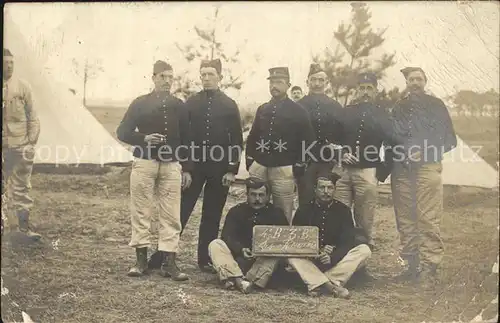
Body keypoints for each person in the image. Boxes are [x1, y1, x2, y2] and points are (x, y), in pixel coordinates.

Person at [116, 60, 191, 281]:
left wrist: (187, 168)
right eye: (162, 77)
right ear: (153, 77)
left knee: (171, 212)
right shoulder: (140, 103)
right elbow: (122, 131)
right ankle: (140, 261)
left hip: (171, 165)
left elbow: (188, 140)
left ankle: (169, 262)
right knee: (141, 210)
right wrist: (143, 138)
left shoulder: (180, 105)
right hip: (144, 162)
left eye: (170, 77)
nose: (167, 81)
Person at [390, 66, 457, 283]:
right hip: (402, 168)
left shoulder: (436, 106)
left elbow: (449, 140)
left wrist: (423, 152)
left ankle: (430, 265)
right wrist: (403, 153)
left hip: (428, 166)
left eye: (419, 79)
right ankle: (409, 265)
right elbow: (392, 137)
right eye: (411, 79)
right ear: (407, 83)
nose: (415, 83)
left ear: (425, 81)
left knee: (428, 217)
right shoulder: (399, 107)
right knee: (405, 219)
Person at [180, 58, 243, 273]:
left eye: (211, 75)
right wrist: (186, 168)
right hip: (194, 167)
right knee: (181, 210)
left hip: (219, 168)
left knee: (212, 214)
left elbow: (236, 141)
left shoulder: (229, 105)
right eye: (203, 75)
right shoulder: (191, 103)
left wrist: (231, 170)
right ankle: (165, 255)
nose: (206, 79)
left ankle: (205, 259)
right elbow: (184, 137)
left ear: (220, 78)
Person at [333, 72, 402, 250]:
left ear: (375, 91)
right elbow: (334, 138)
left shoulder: (383, 114)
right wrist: (341, 154)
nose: (365, 92)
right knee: (339, 211)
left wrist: (382, 171)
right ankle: (342, 247)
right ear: (356, 90)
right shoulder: (346, 111)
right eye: (361, 88)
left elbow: (392, 144)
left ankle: (364, 252)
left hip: (368, 171)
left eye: (369, 89)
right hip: (343, 172)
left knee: (365, 216)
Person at [245, 67, 315, 223]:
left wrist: (299, 164)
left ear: (288, 85)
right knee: (254, 205)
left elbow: (308, 141)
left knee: (283, 209)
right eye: (272, 82)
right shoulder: (263, 109)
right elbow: (253, 136)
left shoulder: (298, 111)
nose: (274, 86)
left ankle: (280, 244)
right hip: (260, 166)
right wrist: (250, 160)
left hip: (284, 168)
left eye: (279, 82)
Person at [287, 173, 372, 298]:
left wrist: (333, 254)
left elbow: (347, 240)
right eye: (322, 188)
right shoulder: (303, 210)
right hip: (311, 260)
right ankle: (331, 286)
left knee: (364, 250)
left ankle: (320, 282)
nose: (326, 192)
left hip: (335, 262)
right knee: (291, 257)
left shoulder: (343, 210)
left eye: (330, 188)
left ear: (334, 189)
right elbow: (296, 240)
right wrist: (317, 250)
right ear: (315, 189)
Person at [208, 177, 289, 293]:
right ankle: (239, 280)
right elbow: (227, 236)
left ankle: (237, 280)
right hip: (239, 260)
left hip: (262, 262)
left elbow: (285, 240)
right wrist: (241, 249)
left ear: (268, 196)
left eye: (261, 195)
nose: (257, 199)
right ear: (247, 194)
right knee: (215, 244)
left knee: (275, 255)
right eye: (253, 195)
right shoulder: (236, 211)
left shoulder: (276, 214)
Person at [2, 48, 41, 240]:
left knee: (22, 187)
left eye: (11, 63)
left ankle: (24, 230)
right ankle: (7, 228)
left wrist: (30, 142)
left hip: (21, 145)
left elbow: (33, 118)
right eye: (5, 63)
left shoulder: (22, 87)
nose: (8, 67)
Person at [296, 63, 344, 208]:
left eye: (321, 80)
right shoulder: (299, 106)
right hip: (305, 162)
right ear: (307, 82)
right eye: (313, 79)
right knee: (305, 200)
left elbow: (341, 135)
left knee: (326, 199)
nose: (317, 84)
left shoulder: (335, 106)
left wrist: (337, 157)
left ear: (327, 82)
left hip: (327, 162)